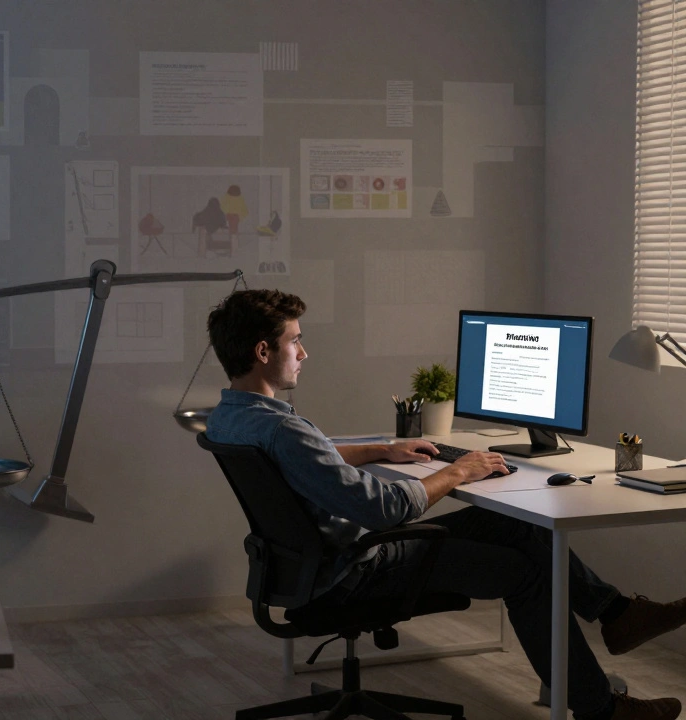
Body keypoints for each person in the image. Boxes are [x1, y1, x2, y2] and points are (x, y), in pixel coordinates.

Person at [203, 289, 686, 720]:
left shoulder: (232, 418)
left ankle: (617, 613)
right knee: (528, 574)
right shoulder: (285, 430)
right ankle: (602, 709)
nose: (304, 353)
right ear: (263, 351)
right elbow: (383, 510)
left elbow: (305, 459)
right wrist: (457, 470)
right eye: (295, 341)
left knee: (518, 527)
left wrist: (382, 450)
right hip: (356, 572)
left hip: (307, 568)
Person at [219, 184, 249, 249]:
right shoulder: (239, 198)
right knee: (233, 230)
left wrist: (227, 214)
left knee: (233, 230)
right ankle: (234, 244)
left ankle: (233, 244)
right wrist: (239, 216)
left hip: (232, 216)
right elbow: (245, 211)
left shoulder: (228, 197)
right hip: (234, 216)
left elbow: (222, 207)